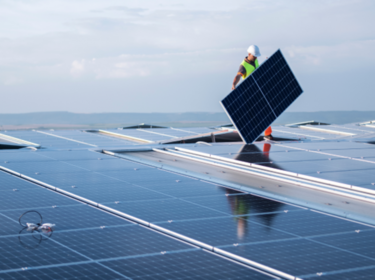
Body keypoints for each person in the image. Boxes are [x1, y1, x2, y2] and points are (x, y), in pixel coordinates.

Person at [231, 45, 273, 140]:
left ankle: (268, 134)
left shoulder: (255, 60)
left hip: (258, 90)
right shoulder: (243, 66)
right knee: (253, 115)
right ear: (249, 54)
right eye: (254, 56)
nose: (256, 57)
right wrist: (234, 84)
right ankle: (247, 133)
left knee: (266, 112)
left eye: (256, 56)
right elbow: (238, 76)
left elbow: (258, 70)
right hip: (250, 94)